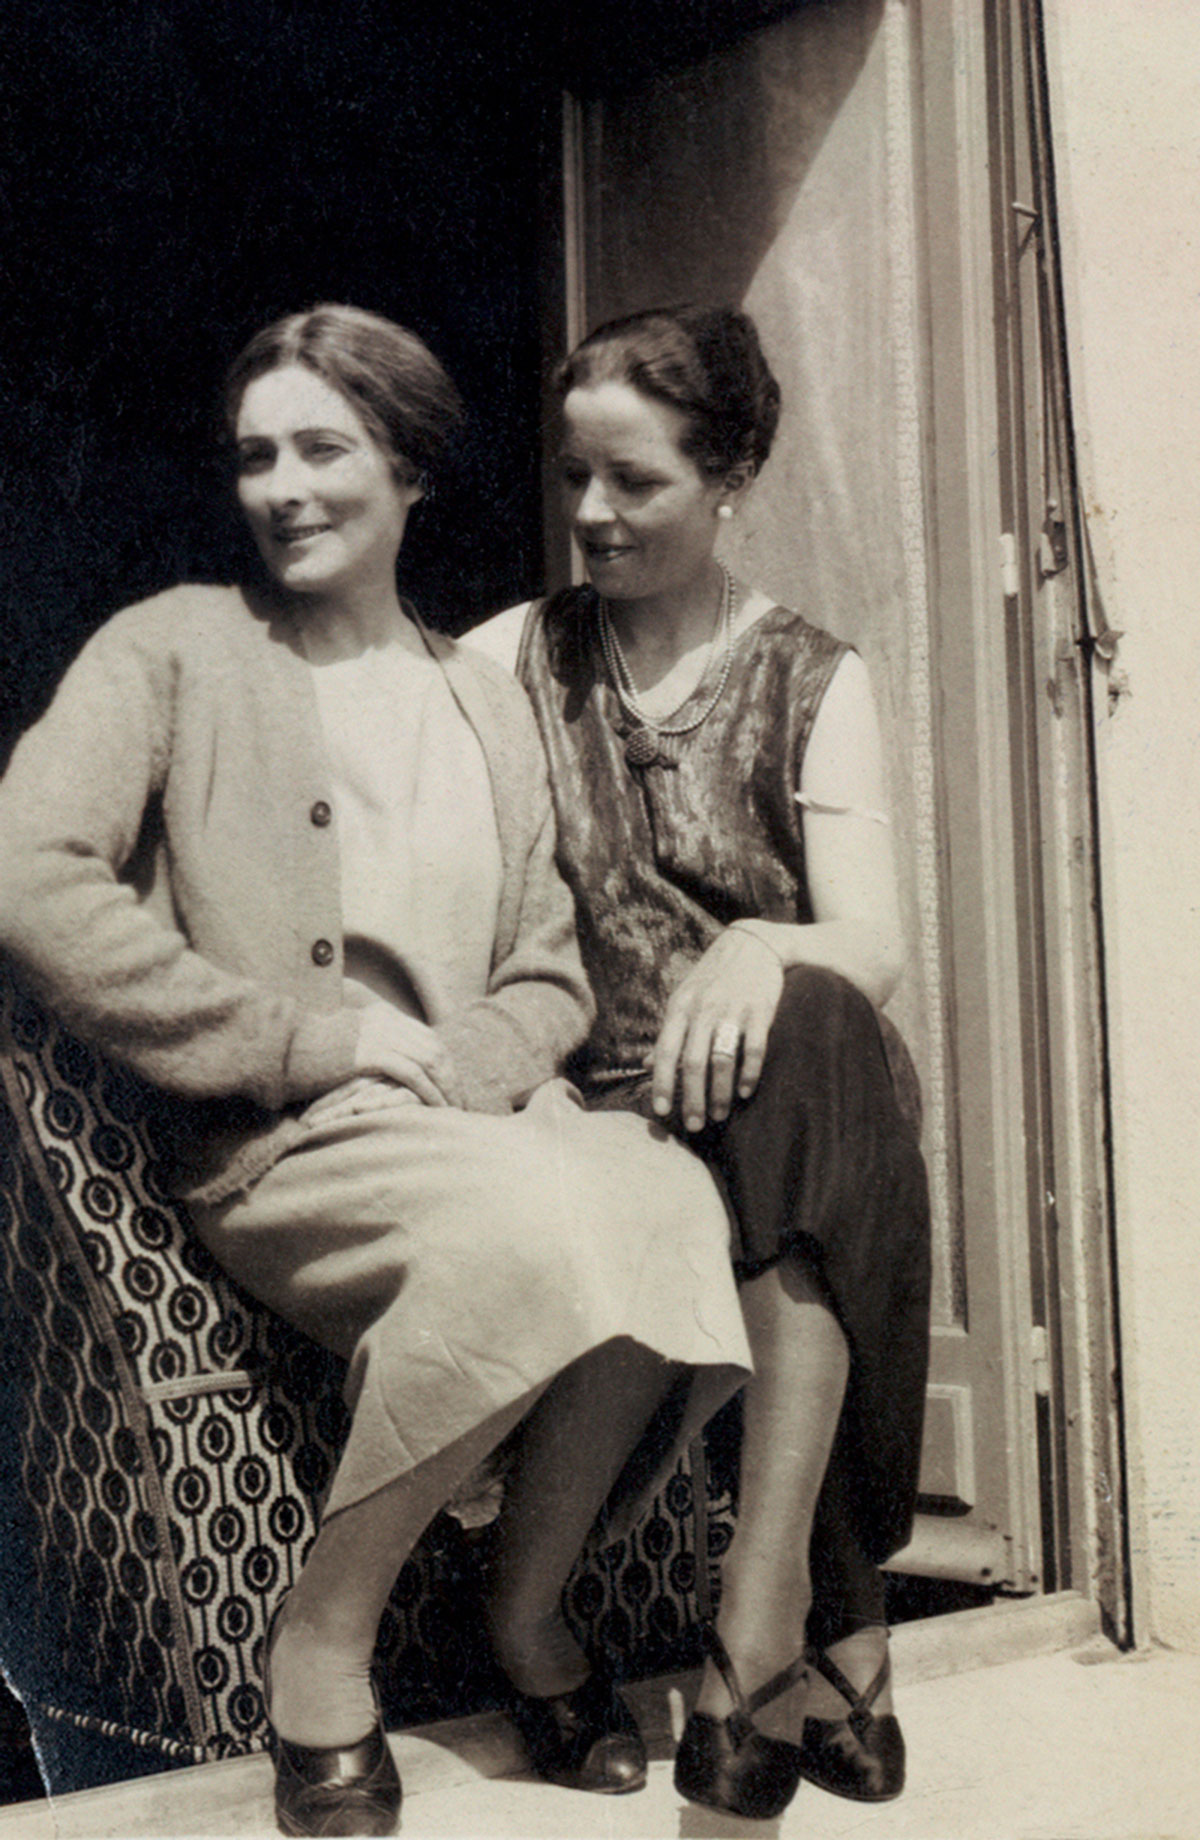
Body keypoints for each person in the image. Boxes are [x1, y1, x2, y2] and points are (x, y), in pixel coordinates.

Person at [0, 305, 754, 1837]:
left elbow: (551, 963)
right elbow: (26, 876)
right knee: (538, 1235)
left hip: (479, 1124)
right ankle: (322, 1644)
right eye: (258, 455)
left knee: (675, 1205)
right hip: (288, 1155)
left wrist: (464, 1071)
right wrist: (306, 1040)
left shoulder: (482, 692)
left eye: (323, 449)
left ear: (408, 469)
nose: (283, 486)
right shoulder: (170, 652)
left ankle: (526, 1607)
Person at [467, 303, 932, 1820]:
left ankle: (753, 1625)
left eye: (636, 483)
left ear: (730, 475)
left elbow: (874, 944)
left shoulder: (814, 678)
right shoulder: (510, 664)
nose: (591, 514)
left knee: (815, 1029)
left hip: (790, 1099)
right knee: (767, 1126)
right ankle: (836, 1648)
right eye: (576, 478)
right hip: (597, 1092)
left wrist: (758, 947)